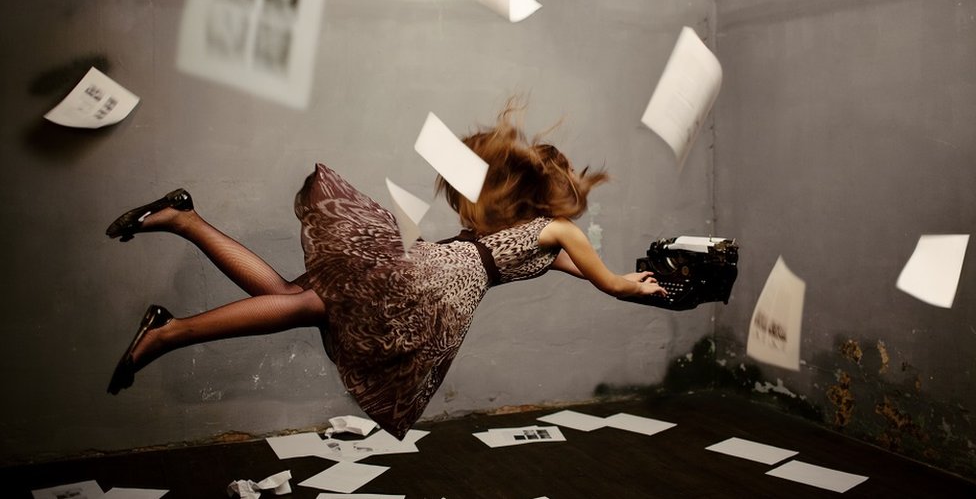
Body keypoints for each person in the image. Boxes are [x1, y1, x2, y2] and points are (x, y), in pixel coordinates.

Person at [105, 100, 667, 439]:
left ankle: (185, 221)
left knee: (295, 297)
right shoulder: (557, 230)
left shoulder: (526, 234)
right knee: (304, 304)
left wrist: (632, 281)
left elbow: (585, 271)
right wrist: (637, 286)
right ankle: (168, 331)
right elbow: (608, 281)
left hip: (426, 267)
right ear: (556, 195)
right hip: (430, 287)